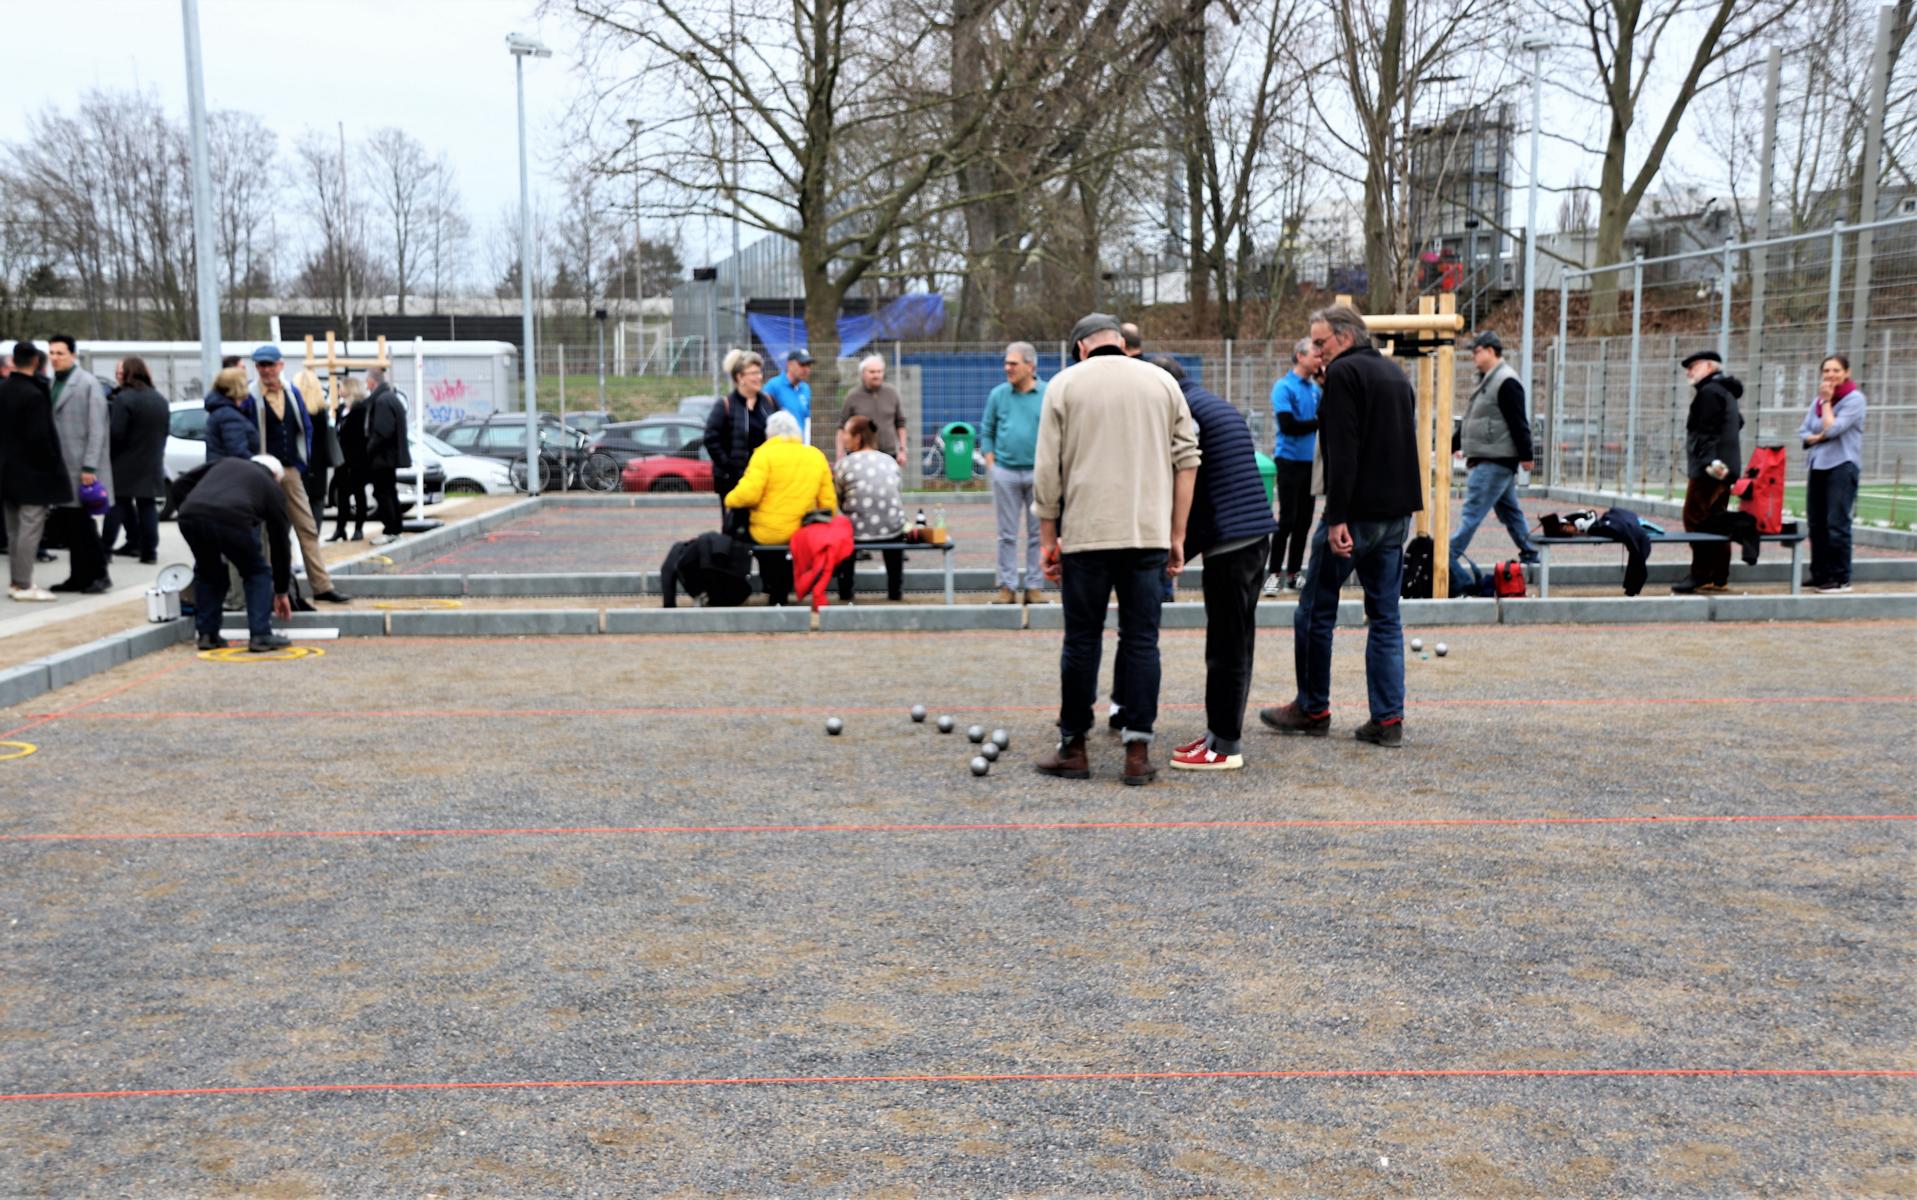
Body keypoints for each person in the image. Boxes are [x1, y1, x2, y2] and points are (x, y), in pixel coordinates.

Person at [1032, 313, 1199, 786]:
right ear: (1119, 342)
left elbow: (1047, 471)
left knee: (1082, 640)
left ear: (1081, 347)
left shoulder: (1064, 386)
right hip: (1147, 533)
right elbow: (1188, 459)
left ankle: (1075, 747)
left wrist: (1049, 539)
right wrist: (1177, 533)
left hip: (1087, 535)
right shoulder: (1162, 382)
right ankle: (1137, 751)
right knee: (1142, 640)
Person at [1260, 303, 1420, 748]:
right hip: (1395, 514)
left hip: (1356, 516)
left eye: (1320, 342)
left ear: (1344, 339)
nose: (1315, 352)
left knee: (1314, 609)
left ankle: (1312, 707)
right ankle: (1388, 720)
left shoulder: (1344, 377)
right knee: (1386, 617)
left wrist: (1337, 518)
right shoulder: (1395, 375)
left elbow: (1342, 452)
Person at [1150, 356, 1276, 771]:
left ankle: (1224, 747)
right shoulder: (1211, 402)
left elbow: (1190, 476)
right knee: (1237, 641)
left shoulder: (1185, 412)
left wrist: (1177, 544)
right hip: (1254, 535)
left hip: (1232, 544)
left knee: (1225, 647)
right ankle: (1219, 735)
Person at [248, 345, 349, 603]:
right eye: (261, 365)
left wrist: (302, 462)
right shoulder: (251, 395)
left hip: (290, 470)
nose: (266, 370)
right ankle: (276, 590)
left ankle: (322, 585)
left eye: (270, 365)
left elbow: (304, 428)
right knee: (269, 533)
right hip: (261, 473)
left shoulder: (292, 392)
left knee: (307, 527)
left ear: (280, 365)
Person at [170, 453, 294, 653]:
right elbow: (280, 544)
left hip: (190, 516)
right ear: (275, 475)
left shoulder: (226, 462)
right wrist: (281, 591)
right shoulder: (272, 487)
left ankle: (207, 635)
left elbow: (178, 485)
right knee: (257, 573)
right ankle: (260, 634)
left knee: (209, 571)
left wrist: (187, 508)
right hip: (232, 519)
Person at [1447, 330, 1539, 587]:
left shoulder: (1505, 381)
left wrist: (1526, 454)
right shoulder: (1489, 379)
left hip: (1493, 461)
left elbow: (1518, 420)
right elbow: (1473, 421)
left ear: (1491, 350)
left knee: (1471, 514)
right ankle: (1532, 554)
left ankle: (1448, 556)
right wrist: (1451, 444)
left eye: (1476, 351)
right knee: (1510, 513)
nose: (1474, 356)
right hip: (1491, 458)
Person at [724, 409, 836, 606]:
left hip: (769, 532)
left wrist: (729, 499)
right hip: (803, 531)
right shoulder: (815, 456)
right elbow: (828, 503)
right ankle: (784, 590)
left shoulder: (764, 455)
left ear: (770, 433)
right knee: (786, 552)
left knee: (755, 538)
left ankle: (774, 592)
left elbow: (749, 494)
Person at [1671, 350, 1744, 595]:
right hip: (1725, 468)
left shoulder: (1709, 393)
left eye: (1694, 366)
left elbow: (1705, 433)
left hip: (1709, 470)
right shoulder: (1725, 392)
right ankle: (1718, 576)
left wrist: (1709, 462)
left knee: (1695, 518)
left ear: (1710, 367)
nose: (1689, 371)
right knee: (1717, 520)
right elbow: (1737, 422)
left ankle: (1701, 575)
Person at [980, 340, 1047, 604]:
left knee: (1038, 534)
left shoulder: (1047, 393)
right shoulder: (998, 395)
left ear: (1030, 366)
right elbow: (987, 430)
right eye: (1006, 363)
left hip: (1039, 473)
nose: (1007, 368)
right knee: (1006, 534)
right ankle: (1007, 587)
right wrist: (991, 464)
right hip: (1005, 472)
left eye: (1013, 363)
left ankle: (1034, 587)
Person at [1, 342, 69, 601]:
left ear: (13, 361)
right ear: (37, 363)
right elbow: (41, 438)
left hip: (7, 472)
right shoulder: (34, 394)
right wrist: (52, 467)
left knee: (13, 530)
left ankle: (16, 583)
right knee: (30, 528)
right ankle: (25, 584)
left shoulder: (3, 389)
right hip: (32, 474)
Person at [45, 334, 112, 594]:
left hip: (80, 468)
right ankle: (78, 576)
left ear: (73, 355)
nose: (55, 358)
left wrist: (89, 467)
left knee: (83, 525)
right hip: (61, 467)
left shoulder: (87, 383)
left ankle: (99, 575)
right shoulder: (53, 383)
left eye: (60, 353)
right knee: (70, 525)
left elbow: (97, 428)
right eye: (51, 353)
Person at [1800, 353, 1867, 594]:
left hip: (1842, 465)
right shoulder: (1816, 401)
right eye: (1826, 370)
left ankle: (1839, 577)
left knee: (1837, 523)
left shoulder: (1854, 399)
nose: (1830, 375)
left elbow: (1833, 428)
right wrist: (1817, 436)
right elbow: (1804, 430)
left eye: (1836, 370)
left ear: (1846, 373)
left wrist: (1827, 403)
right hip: (1818, 465)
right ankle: (1819, 573)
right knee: (1816, 522)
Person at [704, 348, 781, 533]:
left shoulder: (768, 402)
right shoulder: (725, 405)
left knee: (762, 526)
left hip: (764, 478)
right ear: (740, 377)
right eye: (753, 373)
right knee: (735, 530)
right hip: (733, 482)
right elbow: (710, 438)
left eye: (760, 372)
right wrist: (730, 466)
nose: (759, 377)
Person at [832, 415, 907, 603]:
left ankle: (846, 591)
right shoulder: (889, 461)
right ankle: (895, 590)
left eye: (847, 434)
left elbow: (837, 498)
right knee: (892, 524)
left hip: (856, 530)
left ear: (858, 437)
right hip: (892, 528)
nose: (843, 438)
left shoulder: (845, 464)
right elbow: (897, 492)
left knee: (842, 527)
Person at [1267, 335, 1322, 594]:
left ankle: (1294, 572)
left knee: (1304, 521)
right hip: (1289, 459)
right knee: (1287, 519)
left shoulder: (1315, 389)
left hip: (1310, 461)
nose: (1319, 359)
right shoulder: (1284, 387)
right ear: (1300, 356)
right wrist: (1321, 421)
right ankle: (1273, 573)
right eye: (1315, 354)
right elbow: (1288, 425)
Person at [103, 357, 170, 564]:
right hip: (151, 460)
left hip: (124, 461)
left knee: (117, 506)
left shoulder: (125, 398)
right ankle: (149, 552)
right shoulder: (159, 399)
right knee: (147, 506)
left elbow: (117, 433)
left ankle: (104, 549)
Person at [362, 366, 411, 548]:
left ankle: (391, 529)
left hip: (382, 458)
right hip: (389, 457)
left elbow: (383, 431)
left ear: (372, 382)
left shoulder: (381, 401)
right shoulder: (391, 398)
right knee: (389, 492)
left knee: (383, 493)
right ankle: (394, 529)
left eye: (367, 381)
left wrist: (369, 450)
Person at [837, 355, 907, 465]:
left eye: (879, 372)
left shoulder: (892, 393)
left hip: (888, 454)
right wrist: (840, 454)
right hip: (859, 455)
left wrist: (902, 450)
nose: (876, 375)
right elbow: (842, 428)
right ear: (863, 373)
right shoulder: (852, 396)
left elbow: (900, 424)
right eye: (872, 372)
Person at [329, 376, 370, 541]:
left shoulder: (361, 410)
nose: (339, 390)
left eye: (341, 387)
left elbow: (361, 437)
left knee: (359, 494)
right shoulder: (340, 409)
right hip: (341, 460)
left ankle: (358, 528)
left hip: (357, 460)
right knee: (342, 495)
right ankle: (340, 529)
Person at [762, 349, 814, 442]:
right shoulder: (773, 386)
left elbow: (806, 419)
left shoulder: (805, 388)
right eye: (802, 364)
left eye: (808, 365)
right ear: (790, 364)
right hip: (779, 447)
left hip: (799, 446)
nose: (806, 369)